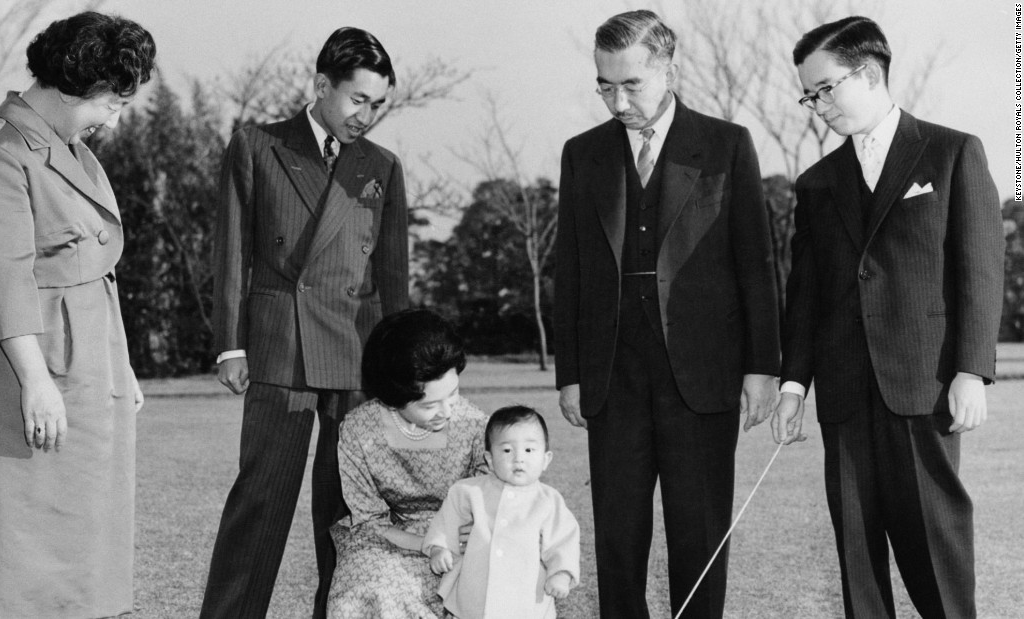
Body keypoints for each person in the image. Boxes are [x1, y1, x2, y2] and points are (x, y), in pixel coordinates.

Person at [772, 16, 1003, 619]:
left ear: (869, 73)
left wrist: (972, 370)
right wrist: (794, 384)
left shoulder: (953, 152)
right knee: (856, 552)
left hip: (924, 387)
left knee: (935, 546)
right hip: (844, 393)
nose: (816, 105)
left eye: (825, 88)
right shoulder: (816, 183)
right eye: (808, 94)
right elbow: (806, 295)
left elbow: (979, 269)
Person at [553, 9, 781, 618]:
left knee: (699, 535)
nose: (617, 99)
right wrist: (570, 372)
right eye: (604, 84)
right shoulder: (582, 155)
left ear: (669, 71)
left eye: (631, 84)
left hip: (703, 377)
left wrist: (763, 367)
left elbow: (757, 263)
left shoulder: (727, 145)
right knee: (619, 540)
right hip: (612, 377)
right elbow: (570, 270)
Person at [0, 11, 154, 618]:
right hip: (22, 364)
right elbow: (2, 281)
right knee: (14, 546)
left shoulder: (68, 149)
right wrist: (35, 382)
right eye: (110, 102)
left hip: (87, 363)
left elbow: (96, 271)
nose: (114, 117)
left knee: (86, 539)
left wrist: (124, 368)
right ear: (73, 83)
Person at [201, 26, 409, 619]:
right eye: (357, 100)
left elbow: (395, 276)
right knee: (260, 498)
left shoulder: (383, 167)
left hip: (358, 348)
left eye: (379, 105)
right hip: (278, 345)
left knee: (347, 507)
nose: (366, 116)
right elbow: (232, 253)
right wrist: (230, 347)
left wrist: (399, 367)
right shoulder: (258, 145)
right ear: (321, 86)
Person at [327, 308, 488, 618]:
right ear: (393, 397)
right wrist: (424, 545)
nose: (447, 411)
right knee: (367, 589)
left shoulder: (477, 426)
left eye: (453, 394)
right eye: (429, 405)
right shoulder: (359, 430)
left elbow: (493, 504)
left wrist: (463, 536)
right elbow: (370, 520)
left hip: (459, 538)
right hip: (387, 539)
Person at [423, 405, 581, 619]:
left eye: (529, 450)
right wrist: (438, 548)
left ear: (545, 459)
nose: (518, 459)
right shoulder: (469, 491)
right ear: (489, 459)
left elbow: (563, 540)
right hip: (474, 591)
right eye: (507, 450)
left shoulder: (548, 501)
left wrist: (561, 573)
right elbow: (446, 521)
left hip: (526, 596)